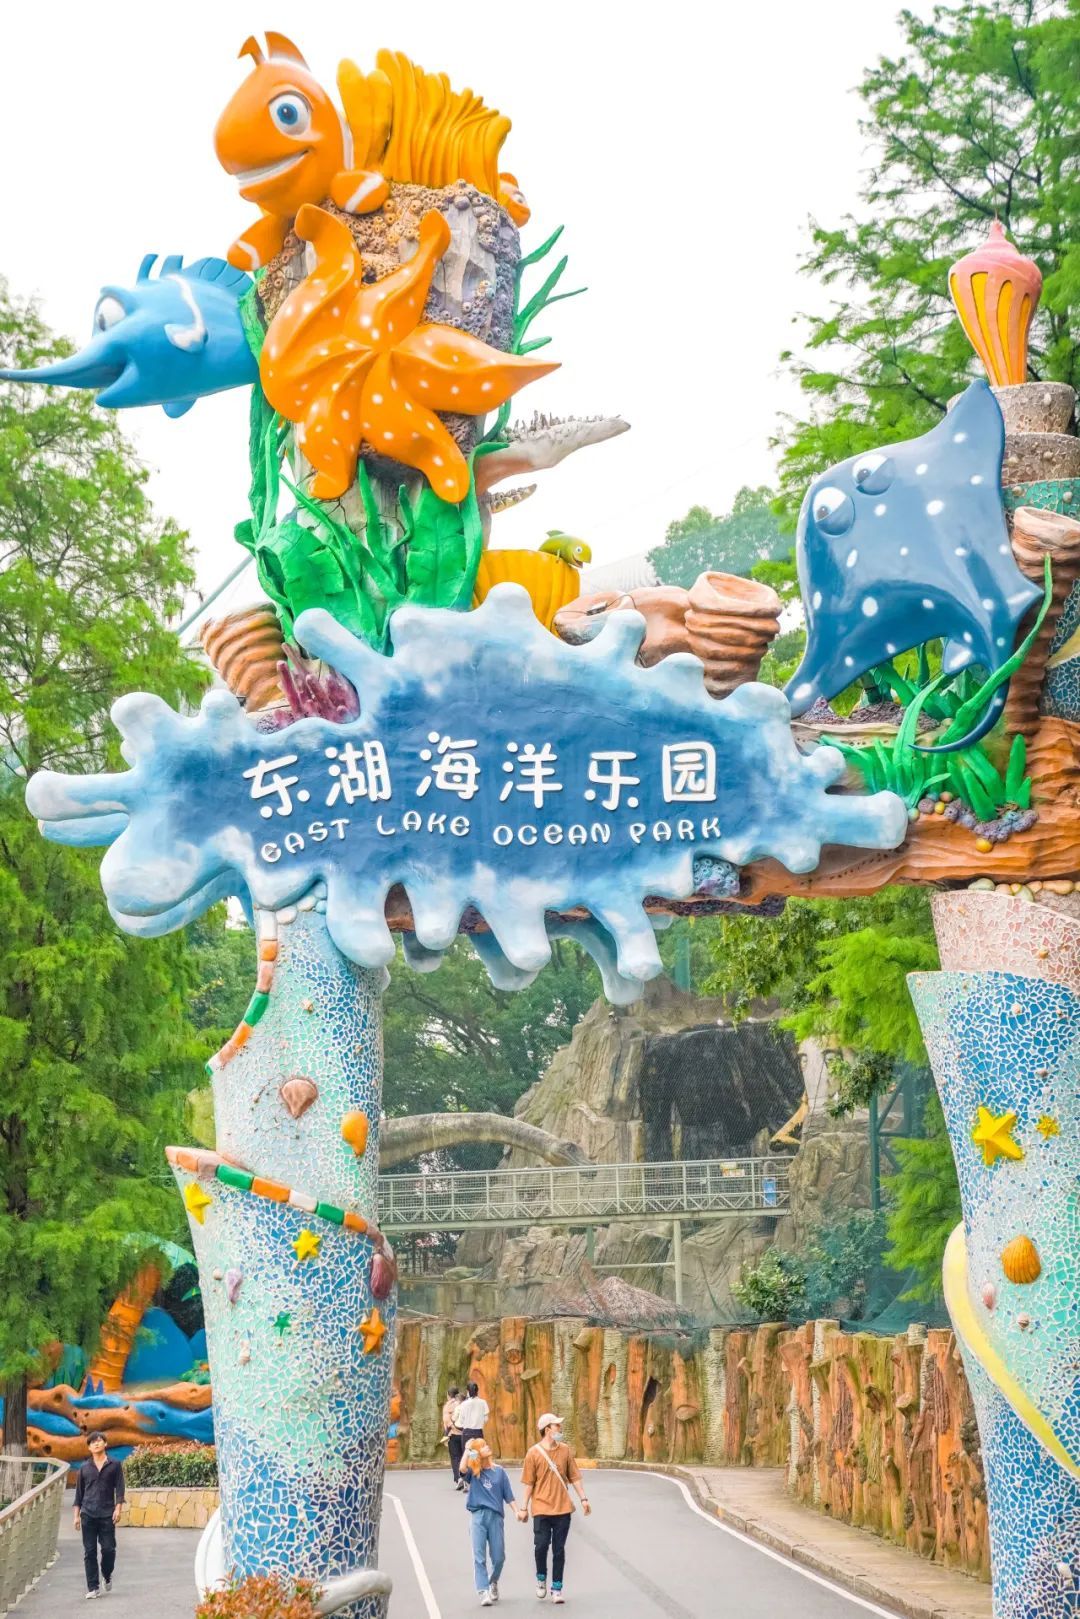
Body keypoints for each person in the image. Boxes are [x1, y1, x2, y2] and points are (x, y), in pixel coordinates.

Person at [520, 1413, 591, 1605]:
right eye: (556, 1425)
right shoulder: (533, 1453)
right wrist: (523, 1507)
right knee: (541, 1546)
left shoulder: (565, 1450)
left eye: (559, 1425)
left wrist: (583, 1499)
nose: (560, 1428)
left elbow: (574, 1477)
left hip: (562, 1509)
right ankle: (541, 1577)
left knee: (559, 1550)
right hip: (541, 1508)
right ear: (547, 1429)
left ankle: (557, 1588)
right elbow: (529, 1483)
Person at [462, 1437, 524, 1606]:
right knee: (479, 1557)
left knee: (499, 1557)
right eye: (482, 1446)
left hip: (495, 1518)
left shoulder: (499, 1472)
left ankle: (493, 1581)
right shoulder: (474, 1472)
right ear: (477, 1452)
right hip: (478, 1516)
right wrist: (467, 1450)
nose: (487, 1447)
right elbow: (462, 1468)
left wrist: (517, 1511)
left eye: (486, 1445)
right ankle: (483, 1591)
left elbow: (508, 1495)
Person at [74, 1431, 126, 1600]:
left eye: (99, 1441)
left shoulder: (114, 1465)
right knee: (89, 1551)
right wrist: (76, 1516)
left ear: (105, 1444)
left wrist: (118, 1509)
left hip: (107, 1514)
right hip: (87, 1514)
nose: (96, 1443)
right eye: (92, 1442)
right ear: (89, 1447)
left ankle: (107, 1574)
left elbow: (120, 1489)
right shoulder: (84, 1468)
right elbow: (78, 1494)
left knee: (108, 1549)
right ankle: (93, 1587)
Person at [455, 1380, 490, 1448]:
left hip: (467, 1433)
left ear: (468, 1391)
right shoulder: (483, 1402)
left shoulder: (464, 1404)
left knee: (468, 1452)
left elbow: (461, 1420)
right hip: (478, 1432)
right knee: (478, 1452)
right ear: (477, 1391)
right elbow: (486, 1419)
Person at [443, 1384, 465, 1490]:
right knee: (464, 1456)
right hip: (464, 1434)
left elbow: (446, 1419)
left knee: (455, 1458)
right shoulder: (463, 1403)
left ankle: (458, 1478)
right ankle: (466, 1478)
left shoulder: (448, 1405)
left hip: (453, 1434)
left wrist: (452, 1427)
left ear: (448, 1395)